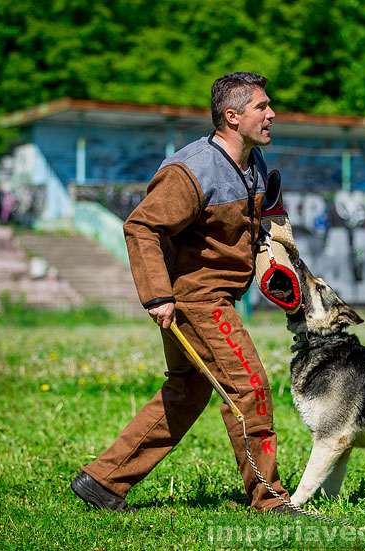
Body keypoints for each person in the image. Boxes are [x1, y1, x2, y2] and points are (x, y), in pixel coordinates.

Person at [71, 72, 297, 514]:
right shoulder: (191, 170)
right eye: (261, 107)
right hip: (197, 299)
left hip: (217, 296)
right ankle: (270, 500)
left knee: (187, 392)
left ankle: (104, 481)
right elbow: (141, 226)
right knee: (249, 388)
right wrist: (158, 295)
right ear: (232, 117)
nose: (272, 114)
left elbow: (260, 219)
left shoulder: (253, 162)